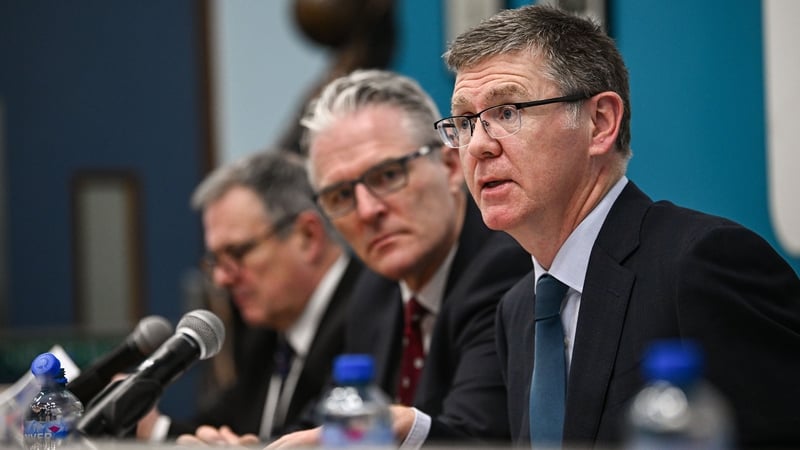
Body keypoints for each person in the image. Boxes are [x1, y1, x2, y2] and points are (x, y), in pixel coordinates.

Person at [436, 4, 800, 449]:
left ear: (600, 123)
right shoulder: (516, 309)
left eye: (508, 112)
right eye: (464, 123)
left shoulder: (702, 264)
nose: (477, 147)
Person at [268, 69, 532, 448]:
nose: (366, 210)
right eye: (341, 196)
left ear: (450, 166)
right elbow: (326, 419)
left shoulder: (505, 267)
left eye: (388, 175)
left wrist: (398, 427)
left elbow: (477, 438)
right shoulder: (374, 289)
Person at [137, 150, 364, 445]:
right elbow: (220, 425)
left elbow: (314, 440)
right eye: (215, 260)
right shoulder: (265, 333)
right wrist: (147, 421)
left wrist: (157, 431)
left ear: (308, 236)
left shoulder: (370, 316)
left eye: (237, 253)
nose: (221, 278)